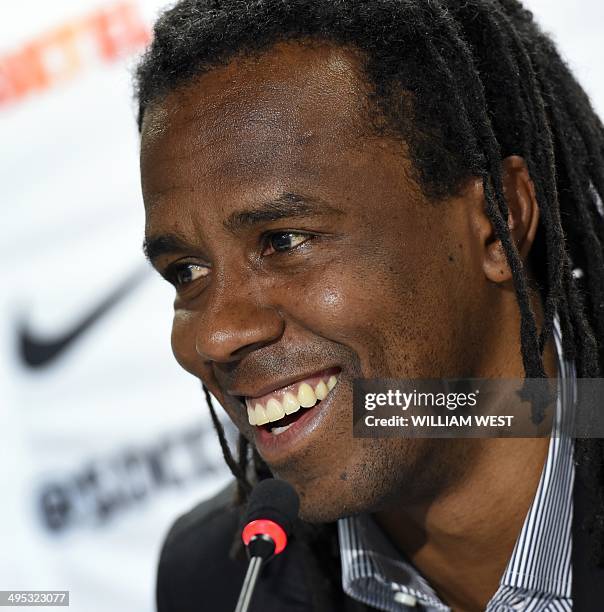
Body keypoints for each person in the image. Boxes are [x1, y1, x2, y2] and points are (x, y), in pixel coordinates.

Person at [135, 1, 604, 609]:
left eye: (284, 240)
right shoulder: (222, 582)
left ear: (497, 222)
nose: (219, 334)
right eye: (188, 272)